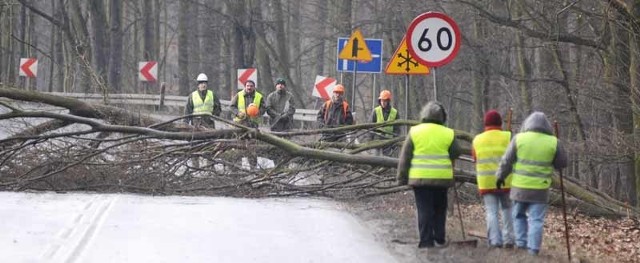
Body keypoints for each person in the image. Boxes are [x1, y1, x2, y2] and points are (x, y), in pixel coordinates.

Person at [495, 111, 568, 255]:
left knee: (518, 215)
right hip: (540, 189)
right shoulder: (553, 142)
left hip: (520, 187)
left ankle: (521, 244)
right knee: (536, 220)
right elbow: (562, 164)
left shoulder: (519, 139)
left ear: (527, 124)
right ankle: (533, 249)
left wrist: (500, 177)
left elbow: (506, 161)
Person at [397, 101, 461, 249]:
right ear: (442, 117)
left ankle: (426, 240)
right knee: (440, 209)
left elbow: (405, 156)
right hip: (442, 179)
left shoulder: (415, 131)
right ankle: (439, 237)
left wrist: (402, 177)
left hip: (420, 179)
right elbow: (456, 152)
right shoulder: (448, 133)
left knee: (424, 209)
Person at [471, 110, 514, 249]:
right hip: (506, 181)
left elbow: (475, 158)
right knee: (507, 209)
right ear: (500, 123)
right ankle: (509, 240)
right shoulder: (508, 136)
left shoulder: (477, 139)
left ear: (485, 123)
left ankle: (495, 241)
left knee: (491, 211)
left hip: (486, 181)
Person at [369, 89, 400, 156]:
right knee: (375, 158)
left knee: (387, 159)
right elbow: (371, 126)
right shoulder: (376, 111)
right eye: (382, 100)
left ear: (388, 101)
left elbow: (397, 129)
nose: (383, 102)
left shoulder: (394, 112)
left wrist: (395, 141)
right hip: (377, 139)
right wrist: (370, 139)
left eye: (385, 100)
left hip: (388, 140)